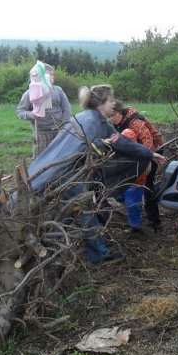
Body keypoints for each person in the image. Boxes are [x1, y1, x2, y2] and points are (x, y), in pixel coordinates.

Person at [27, 84, 166, 263]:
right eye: (110, 100)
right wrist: (102, 149)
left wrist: (149, 153)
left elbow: (121, 141)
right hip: (70, 174)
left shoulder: (96, 120)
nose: (113, 103)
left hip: (72, 175)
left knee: (73, 210)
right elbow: (87, 149)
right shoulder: (91, 122)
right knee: (86, 210)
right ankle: (96, 254)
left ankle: (51, 242)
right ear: (101, 103)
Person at [110, 101, 164, 231]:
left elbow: (148, 141)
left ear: (120, 112)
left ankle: (154, 220)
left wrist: (147, 161)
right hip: (138, 152)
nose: (112, 118)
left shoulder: (135, 122)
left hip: (153, 151)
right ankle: (136, 209)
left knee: (147, 184)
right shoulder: (119, 123)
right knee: (132, 183)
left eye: (114, 115)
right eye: (109, 115)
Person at [16, 62, 72, 158]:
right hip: (41, 132)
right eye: (50, 74)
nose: (53, 77)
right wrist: (31, 115)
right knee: (41, 158)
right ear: (41, 76)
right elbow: (20, 112)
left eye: (53, 74)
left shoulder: (58, 91)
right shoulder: (29, 93)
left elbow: (66, 110)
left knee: (60, 156)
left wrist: (64, 126)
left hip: (59, 130)